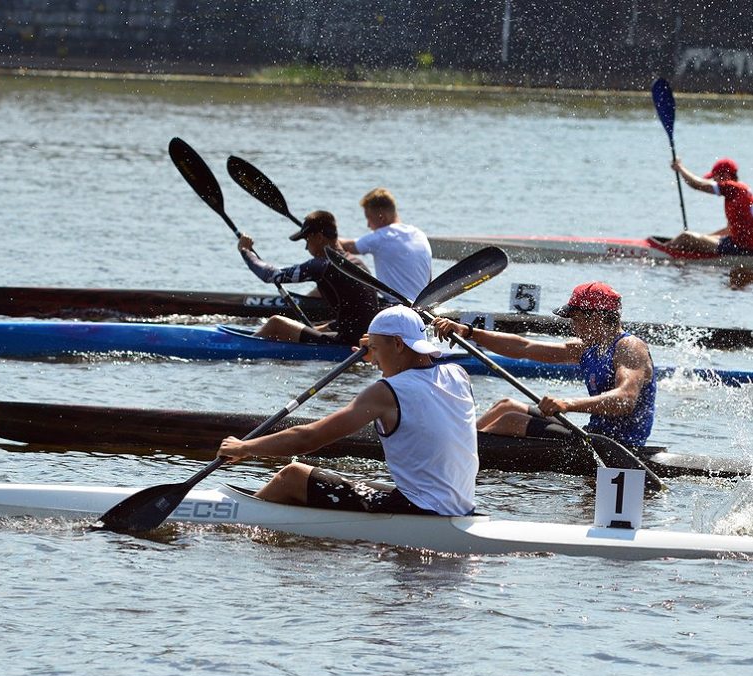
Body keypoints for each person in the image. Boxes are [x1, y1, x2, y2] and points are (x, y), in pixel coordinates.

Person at [218, 305, 478, 516]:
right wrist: (379, 348)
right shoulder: (458, 374)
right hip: (459, 505)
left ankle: (235, 520)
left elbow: (308, 438)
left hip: (423, 510)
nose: (372, 359)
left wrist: (245, 448)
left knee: (293, 476)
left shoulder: (386, 392)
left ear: (398, 345)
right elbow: (417, 379)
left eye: (374, 349)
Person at [431, 282, 656, 449]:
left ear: (596, 317)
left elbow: (625, 399)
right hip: (594, 433)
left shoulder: (629, 346)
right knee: (506, 405)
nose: (573, 327)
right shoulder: (588, 347)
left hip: (618, 445)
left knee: (511, 420)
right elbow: (525, 347)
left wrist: (566, 403)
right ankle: (456, 448)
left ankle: (459, 454)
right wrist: (469, 332)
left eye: (575, 319)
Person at [238, 210, 378, 345]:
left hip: (348, 342)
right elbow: (359, 315)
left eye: (307, 240)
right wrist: (322, 328)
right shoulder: (356, 263)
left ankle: (239, 347)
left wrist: (245, 251)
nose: (306, 248)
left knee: (276, 323)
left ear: (319, 237)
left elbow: (270, 275)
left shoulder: (323, 264)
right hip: (366, 339)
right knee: (313, 328)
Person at [663, 157, 753, 257]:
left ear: (724, 175)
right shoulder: (742, 190)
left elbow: (697, 184)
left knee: (686, 237)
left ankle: (660, 252)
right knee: (696, 239)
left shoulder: (731, 187)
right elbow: (730, 230)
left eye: (715, 178)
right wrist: (705, 239)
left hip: (744, 248)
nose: (714, 182)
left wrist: (680, 168)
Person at [339, 187, 431, 303]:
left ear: (381, 217)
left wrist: (325, 237)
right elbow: (429, 280)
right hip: (422, 305)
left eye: (369, 218)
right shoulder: (420, 235)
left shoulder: (382, 237)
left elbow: (346, 246)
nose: (368, 225)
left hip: (395, 305)